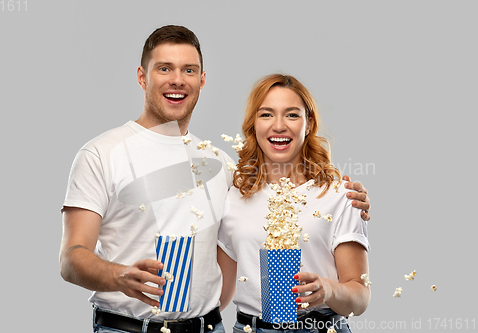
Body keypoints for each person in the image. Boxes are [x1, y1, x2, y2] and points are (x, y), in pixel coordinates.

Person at [60, 25, 370, 333]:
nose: (177, 80)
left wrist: (350, 198)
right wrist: (119, 277)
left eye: (189, 70)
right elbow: (71, 258)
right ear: (142, 76)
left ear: (202, 80)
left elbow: (226, 270)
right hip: (126, 328)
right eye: (164, 68)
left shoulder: (222, 168)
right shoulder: (102, 153)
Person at [217, 74, 370, 333]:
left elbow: (360, 298)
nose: (279, 126)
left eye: (291, 115)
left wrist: (328, 290)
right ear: (253, 124)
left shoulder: (338, 196)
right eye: (266, 115)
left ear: (309, 124)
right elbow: (219, 296)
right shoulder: (234, 197)